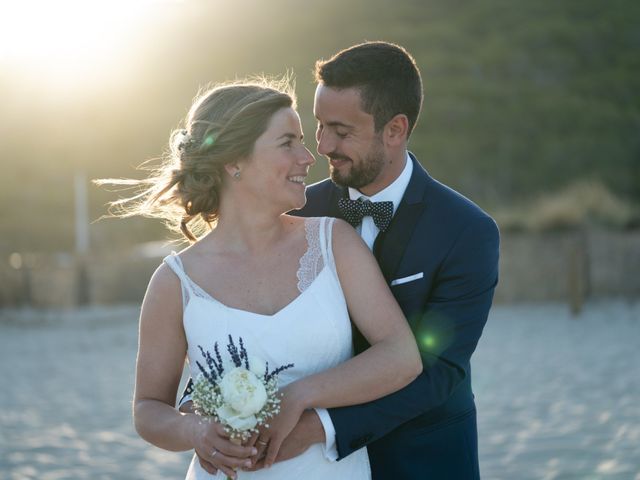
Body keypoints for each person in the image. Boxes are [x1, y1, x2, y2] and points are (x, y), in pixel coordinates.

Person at [190, 41, 501, 479]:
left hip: (421, 460)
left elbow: (439, 371)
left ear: (394, 130)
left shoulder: (466, 231)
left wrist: (320, 427)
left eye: (340, 130)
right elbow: (236, 315)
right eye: (318, 126)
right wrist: (212, 398)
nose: (321, 146)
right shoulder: (294, 209)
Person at [104, 79, 423, 479]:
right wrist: (195, 430)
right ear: (234, 160)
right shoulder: (174, 282)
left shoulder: (333, 242)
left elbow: (401, 356)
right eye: (287, 142)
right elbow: (148, 408)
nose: (309, 157)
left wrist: (299, 395)